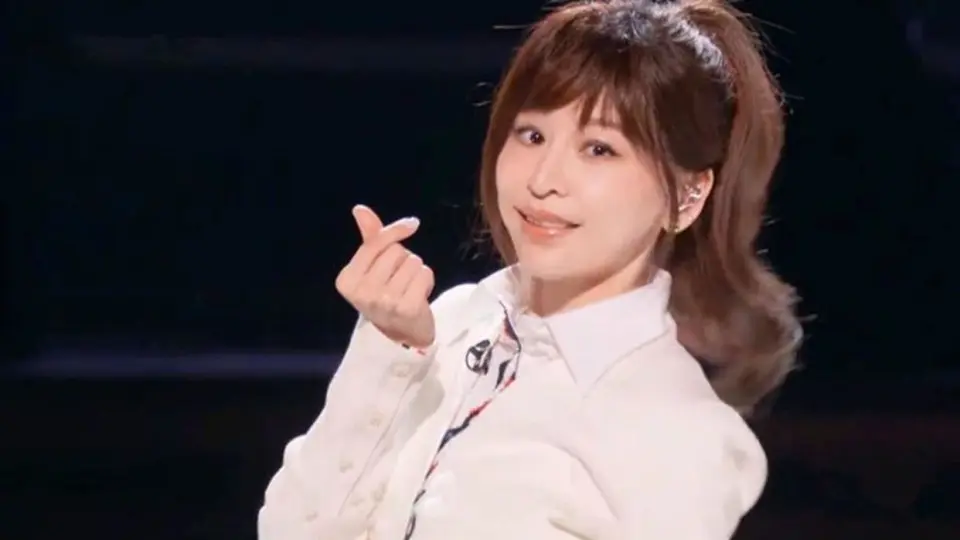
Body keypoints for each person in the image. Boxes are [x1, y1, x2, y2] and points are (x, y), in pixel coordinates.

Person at [258, 0, 802, 538]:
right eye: (532, 135)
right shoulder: (448, 327)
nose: (543, 180)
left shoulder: (683, 435)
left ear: (687, 195)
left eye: (599, 149)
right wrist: (388, 351)